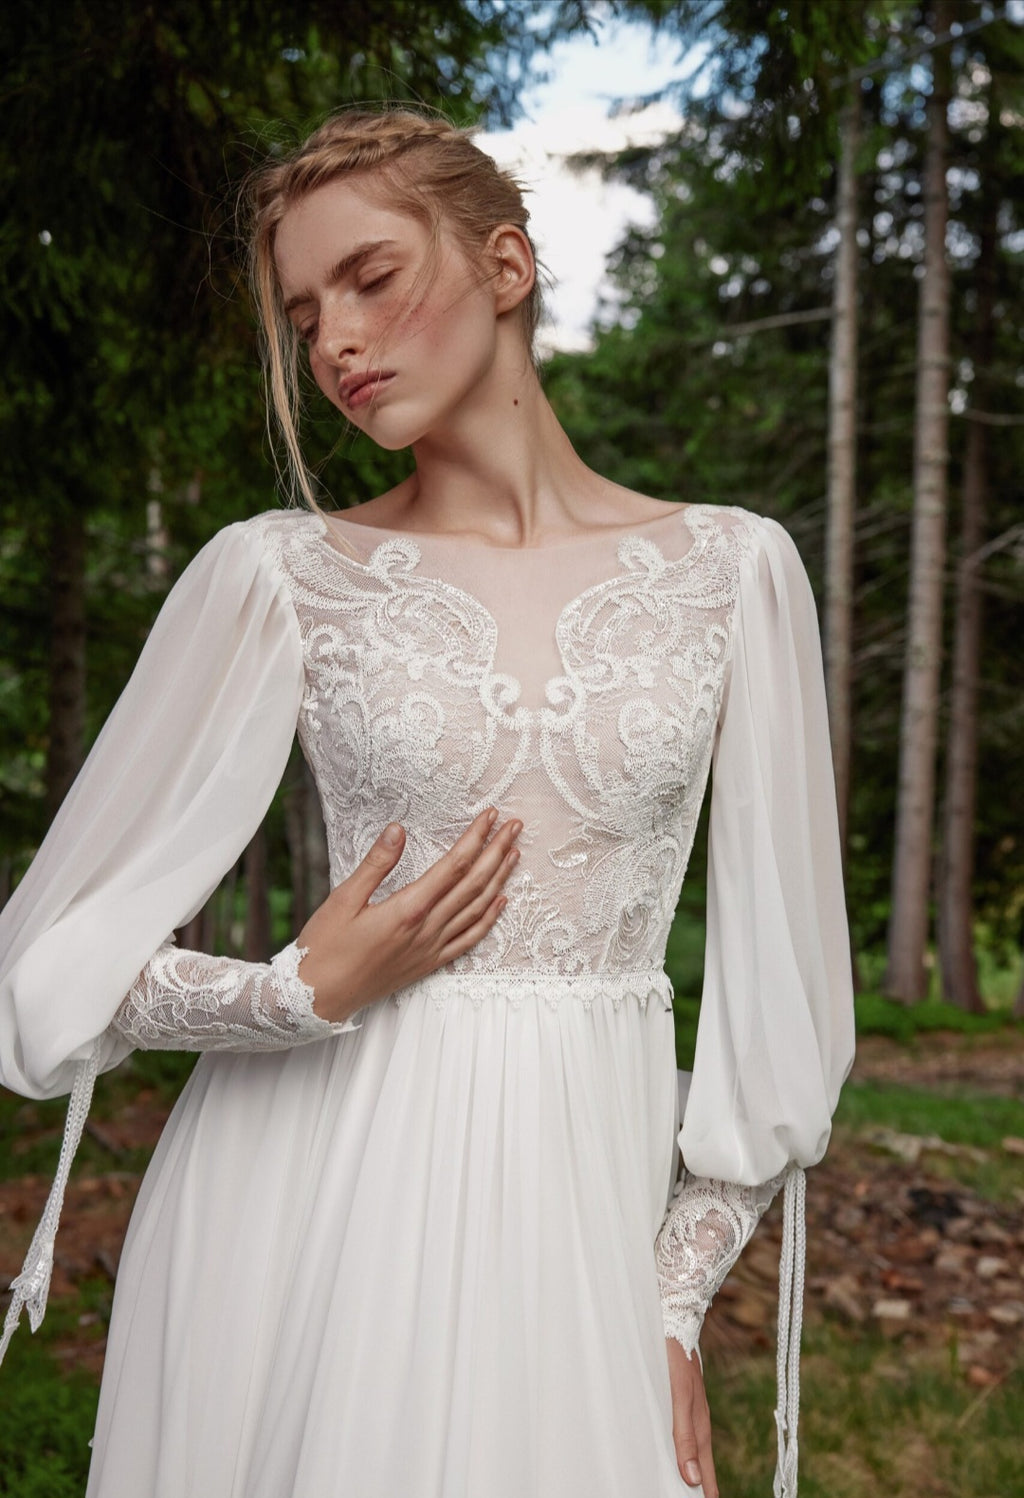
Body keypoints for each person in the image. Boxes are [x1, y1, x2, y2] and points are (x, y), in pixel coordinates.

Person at [0, 107, 855, 1498]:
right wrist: (291, 992)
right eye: (303, 316)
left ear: (505, 266)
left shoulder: (734, 574)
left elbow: (783, 1023)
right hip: (304, 1198)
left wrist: (668, 1307)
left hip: (580, 1212)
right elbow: (47, 968)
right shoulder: (276, 574)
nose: (335, 342)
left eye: (372, 278)